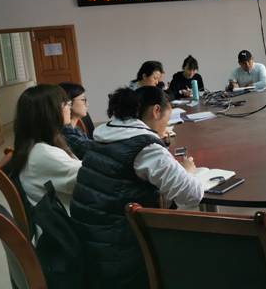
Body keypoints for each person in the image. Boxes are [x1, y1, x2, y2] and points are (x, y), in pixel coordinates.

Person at [70, 86, 203, 289]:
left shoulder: (105, 134)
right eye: (167, 119)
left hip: (89, 245)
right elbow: (192, 195)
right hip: (121, 255)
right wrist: (189, 171)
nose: (165, 127)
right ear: (156, 111)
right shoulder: (145, 147)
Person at [11, 84, 81, 211]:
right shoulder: (43, 153)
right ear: (48, 112)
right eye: (65, 103)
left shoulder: (38, 146)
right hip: (71, 219)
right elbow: (86, 178)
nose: (69, 106)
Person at [59, 82, 94, 159]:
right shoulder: (66, 136)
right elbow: (96, 149)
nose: (87, 104)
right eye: (83, 100)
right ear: (68, 103)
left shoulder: (76, 129)